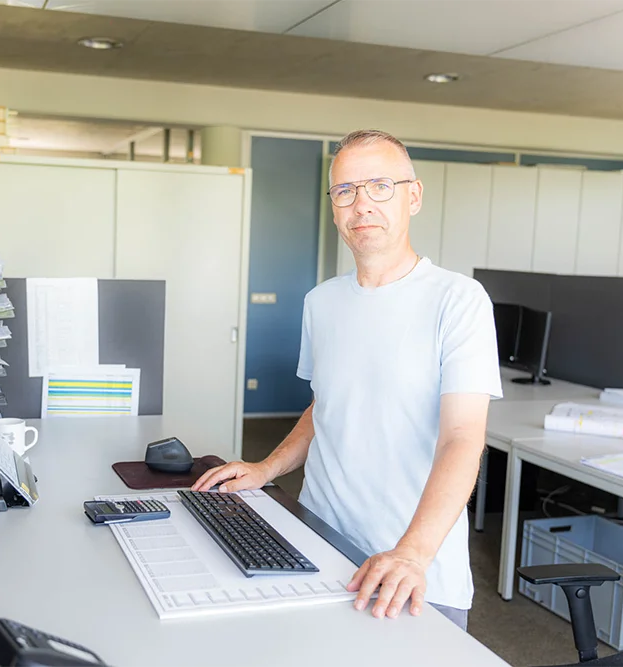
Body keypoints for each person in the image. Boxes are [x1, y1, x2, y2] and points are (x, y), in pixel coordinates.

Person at [193, 129, 502, 631]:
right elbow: (327, 406)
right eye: (345, 190)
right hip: (318, 543)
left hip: (411, 570)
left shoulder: (458, 300)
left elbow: (463, 437)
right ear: (334, 208)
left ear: (413, 197)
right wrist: (267, 468)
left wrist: (412, 553)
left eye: (380, 186)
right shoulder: (322, 302)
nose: (362, 204)